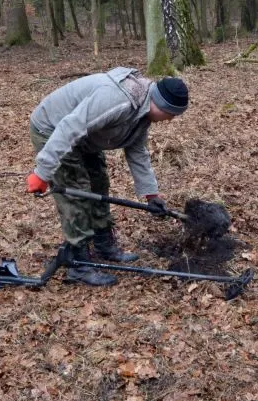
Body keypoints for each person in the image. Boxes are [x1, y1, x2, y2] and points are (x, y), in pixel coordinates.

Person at [25, 68, 189, 286]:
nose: (170, 120)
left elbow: (137, 150)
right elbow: (69, 127)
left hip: (85, 138)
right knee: (78, 193)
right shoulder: (117, 101)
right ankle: (79, 264)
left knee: (99, 183)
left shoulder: (142, 111)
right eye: (171, 114)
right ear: (160, 104)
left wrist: (151, 194)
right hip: (53, 129)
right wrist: (43, 172)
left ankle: (104, 245)